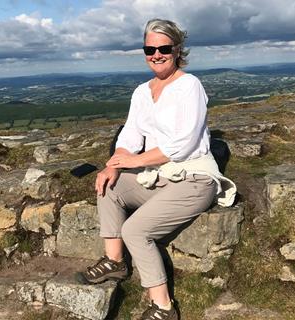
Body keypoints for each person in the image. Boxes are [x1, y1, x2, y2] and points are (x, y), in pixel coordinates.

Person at [76, 18, 236, 320]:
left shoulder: (189, 86)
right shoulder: (141, 92)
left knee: (135, 229)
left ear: (177, 50)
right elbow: (130, 136)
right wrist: (114, 164)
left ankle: (164, 308)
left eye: (163, 48)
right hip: (159, 175)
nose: (156, 54)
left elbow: (184, 144)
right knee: (108, 184)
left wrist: (134, 161)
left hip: (193, 178)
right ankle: (115, 262)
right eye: (150, 48)